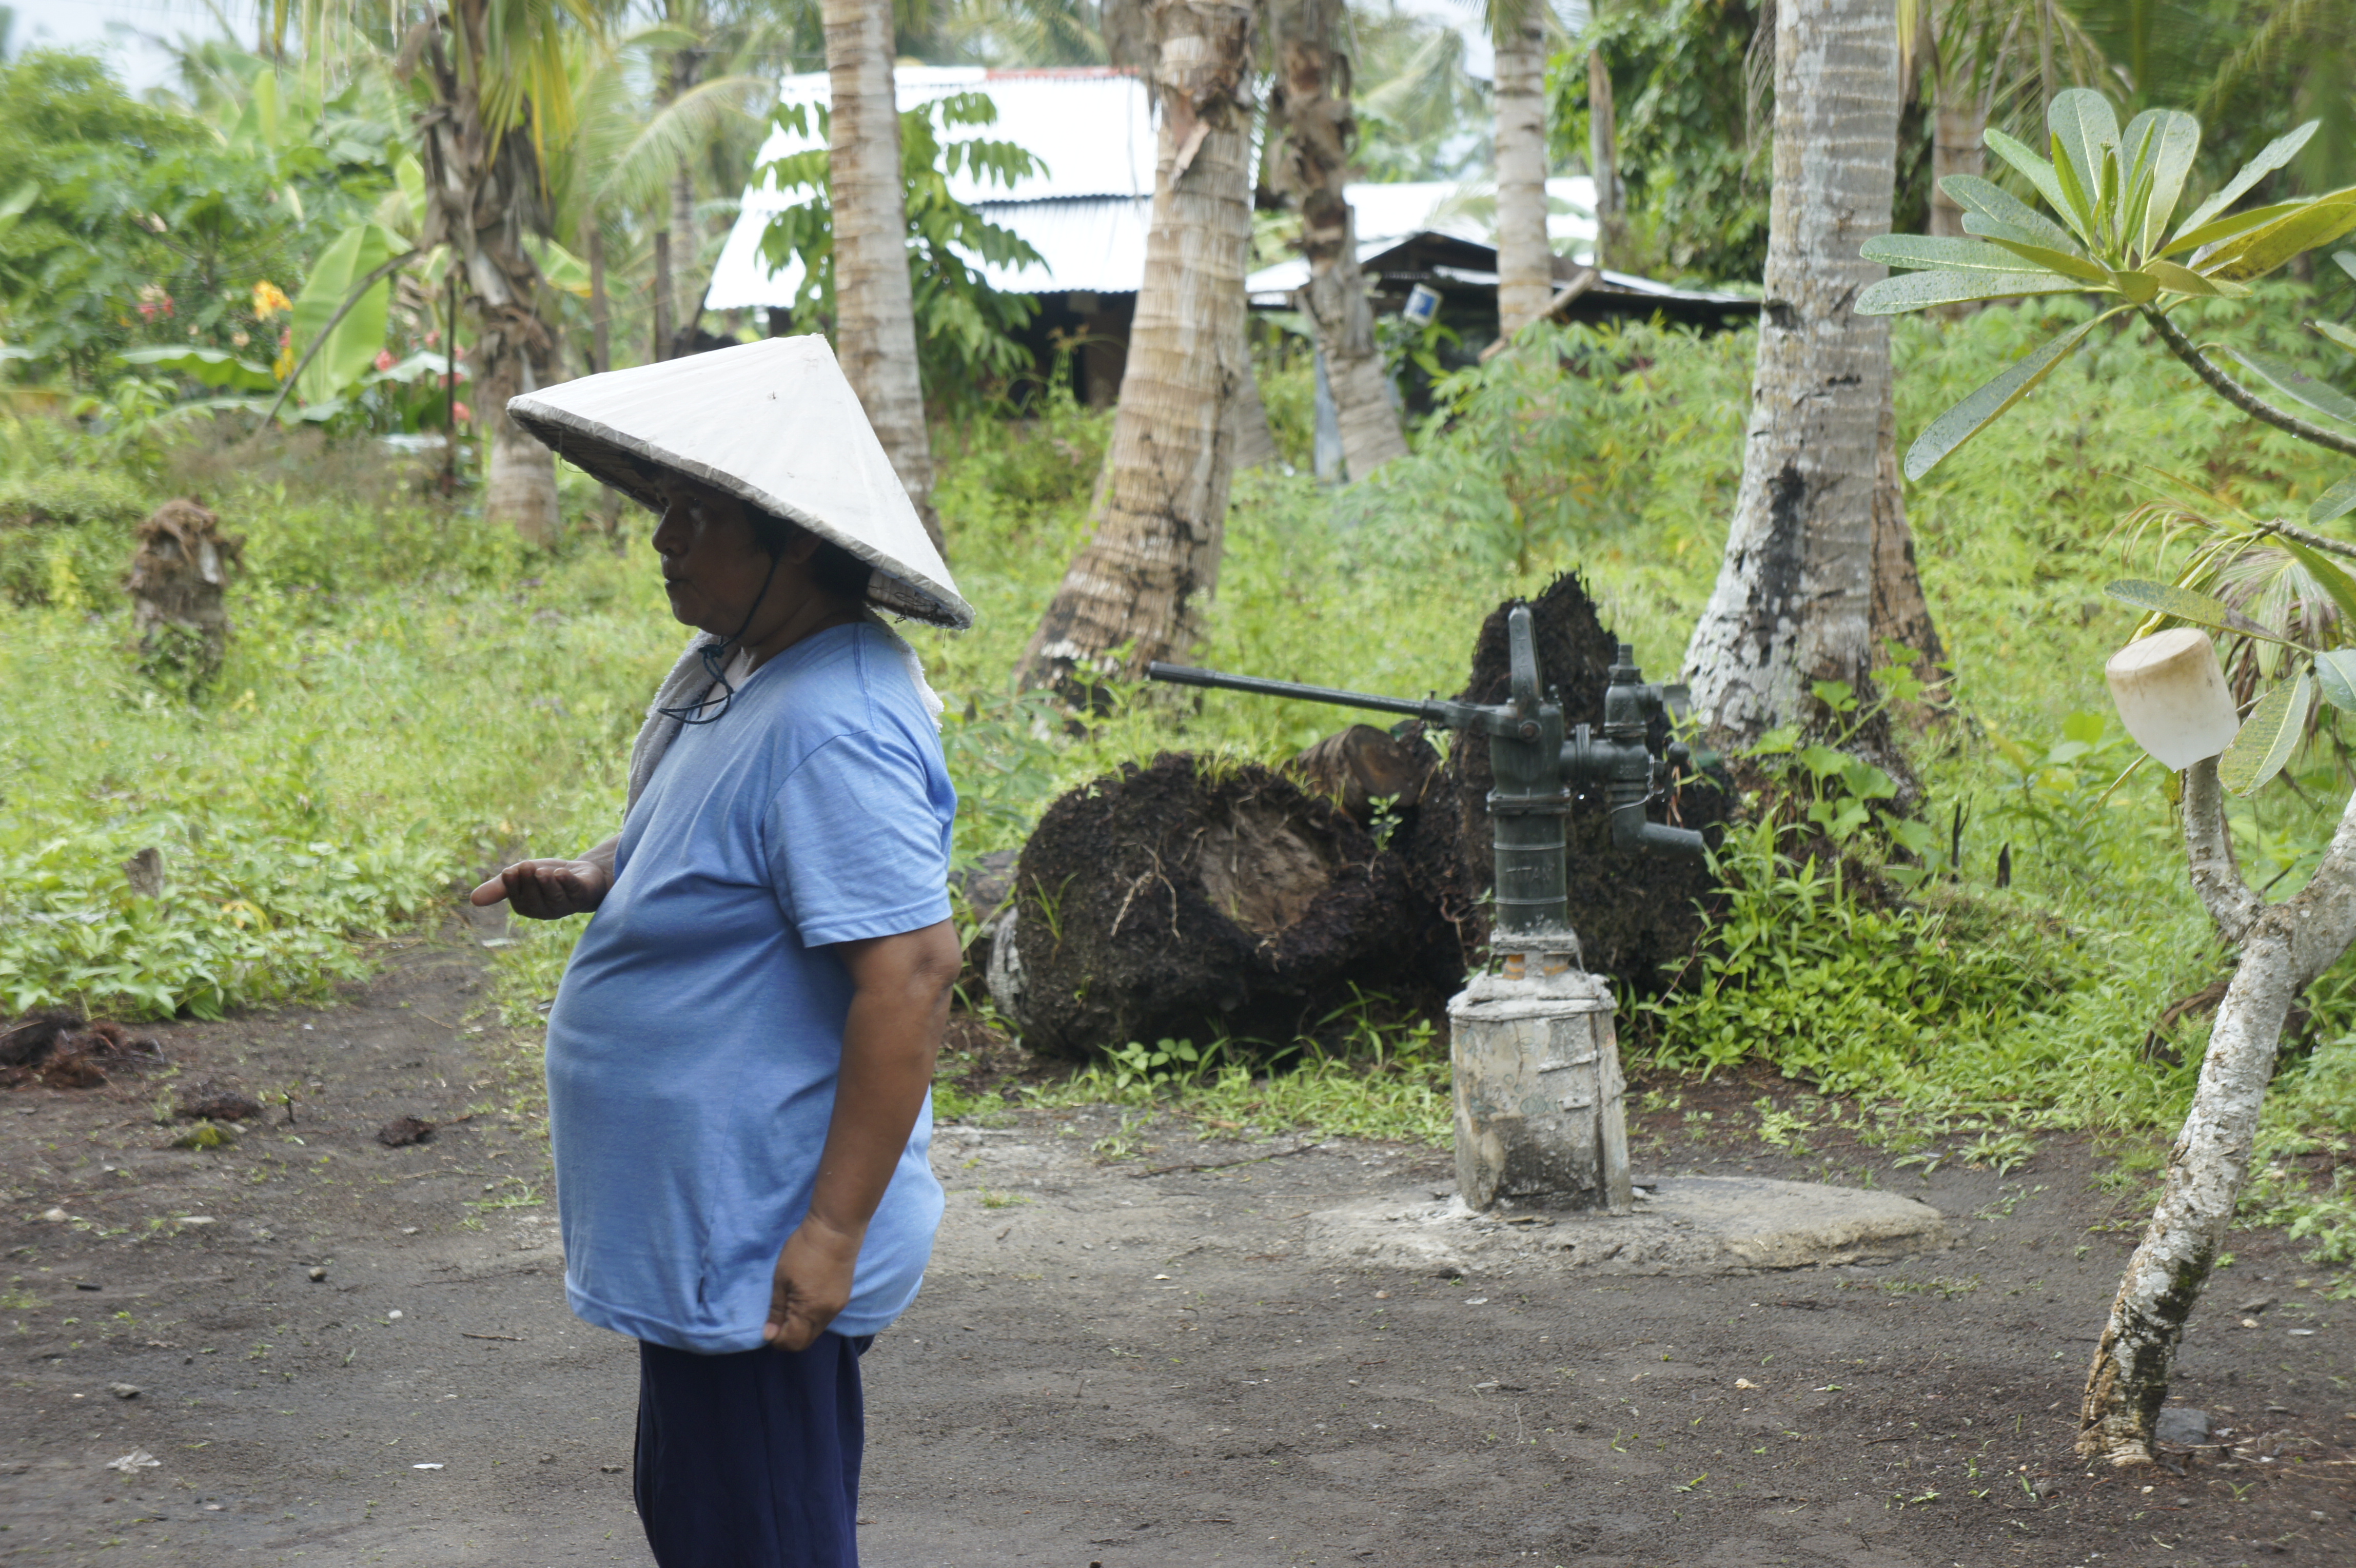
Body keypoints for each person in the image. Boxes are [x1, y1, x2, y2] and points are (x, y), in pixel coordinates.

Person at [469, 337, 974, 1568]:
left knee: (759, 1534)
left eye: (697, 514)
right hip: (705, 1216)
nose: (663, 537)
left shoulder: (835, 724)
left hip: (761, 1223)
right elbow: (706, 830)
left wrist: (831, 1236)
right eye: (665, 507)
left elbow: (910, 971)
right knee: (707, 1518)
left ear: (796, 542)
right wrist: (600, 873)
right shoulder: (730, 670)